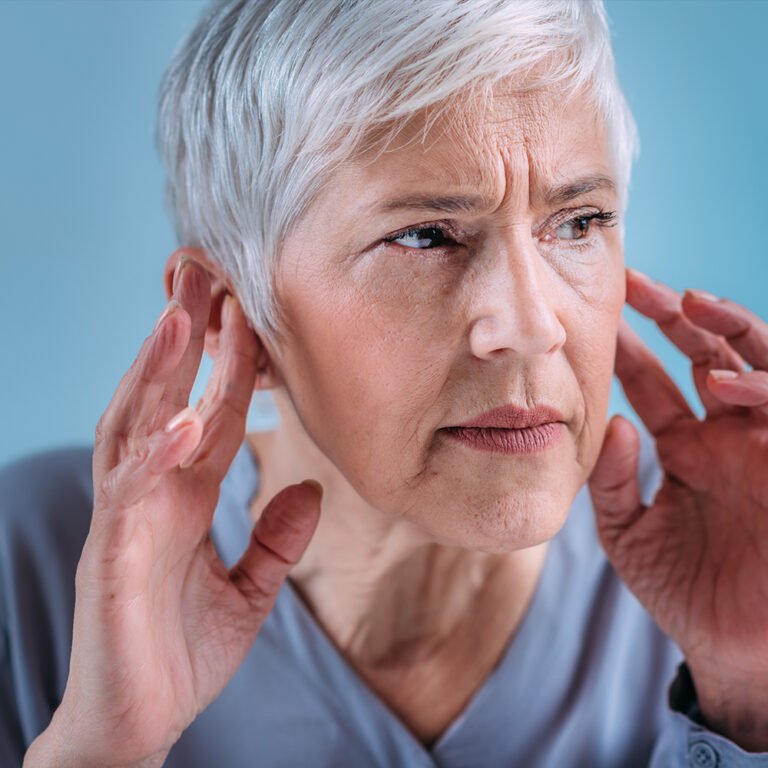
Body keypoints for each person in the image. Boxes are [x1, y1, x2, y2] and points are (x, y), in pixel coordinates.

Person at [3, 0, 767, 765]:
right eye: (425, 236)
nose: (535, 326)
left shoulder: (730, 551)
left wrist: (747, 696)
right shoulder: (44, 563)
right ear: (231, 316)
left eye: (578, 222)